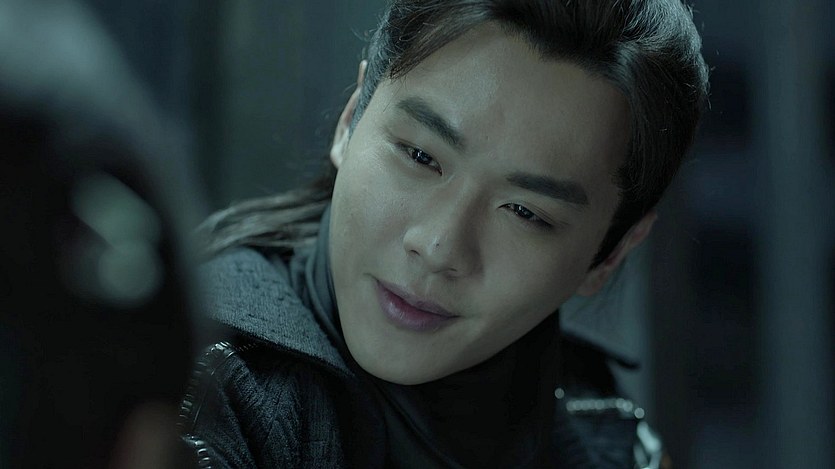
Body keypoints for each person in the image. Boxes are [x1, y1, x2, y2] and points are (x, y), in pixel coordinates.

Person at [180, 0, 709, 467]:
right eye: (419, 156)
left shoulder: (608, 435)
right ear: (350, 120)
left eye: (525, 212)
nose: (438, 247)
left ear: (610, 254)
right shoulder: (193, 387)